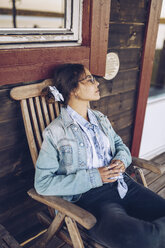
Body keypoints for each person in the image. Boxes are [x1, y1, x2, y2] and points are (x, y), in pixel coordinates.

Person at [34, 63, 165, 248]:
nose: (97, 84)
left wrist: (121, 159)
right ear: (74, 89)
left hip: (124, 185)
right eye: (90, 79)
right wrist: (94, 176)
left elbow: (120, 145)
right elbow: (42, 184)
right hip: (92, 199)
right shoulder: (56, 132)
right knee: (143, 238)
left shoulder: (99, 118)